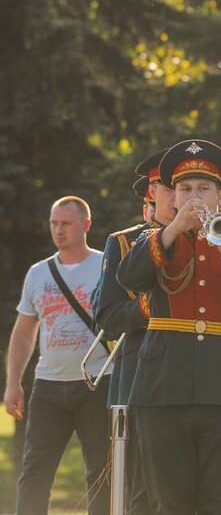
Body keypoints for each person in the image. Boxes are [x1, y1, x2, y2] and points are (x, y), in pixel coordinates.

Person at [116, 139, 221, 514]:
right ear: (172, 196)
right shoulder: (154, 241)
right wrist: (173, 229)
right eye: (185, 189)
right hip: (162, 391)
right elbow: (128, 276)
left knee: (218, 504)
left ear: (220, 196)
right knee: (170, 504)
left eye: (203, 189)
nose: (194, 197)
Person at [4, 196, 110, 515]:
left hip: (98, 382)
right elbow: (24, 332)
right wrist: (13, 384)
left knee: (101, 474)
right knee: (35, 472)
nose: (58, 230)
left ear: (85, 224)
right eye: (54, 223)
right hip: (48, 387)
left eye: (66, 223)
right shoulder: (38, 273)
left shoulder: (107, 265)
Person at [93, 149, 175, 513]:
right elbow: (107, 317)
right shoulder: (124, 243)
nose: (182, 195)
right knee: (141, 490)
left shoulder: (218, 238)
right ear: (152, 193)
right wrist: (144, 309)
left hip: (199, 373)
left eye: (191, 187)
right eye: (171, 187)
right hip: (141, 374)